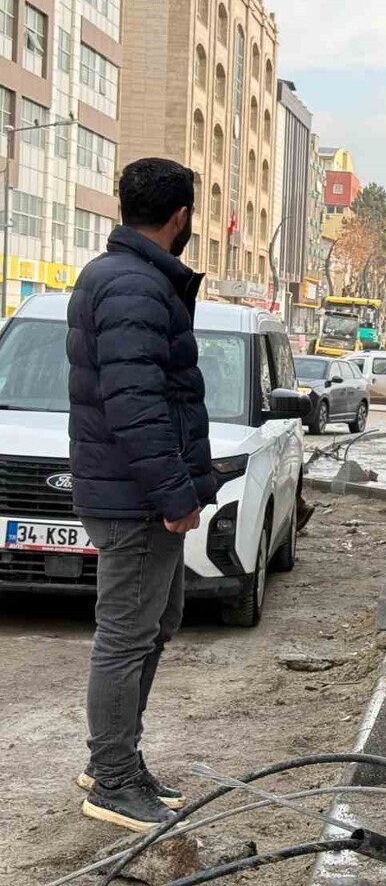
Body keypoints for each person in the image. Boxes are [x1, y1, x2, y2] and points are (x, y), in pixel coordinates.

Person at [66, 158, 215, 832]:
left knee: (157, 623)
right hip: (136, 499)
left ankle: (117, 759)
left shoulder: (129, 278)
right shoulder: (133, 287)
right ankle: (112, 779)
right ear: (180, 218)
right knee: (127, 638)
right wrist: (176, 494)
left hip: (134, 493)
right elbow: (136, 406)